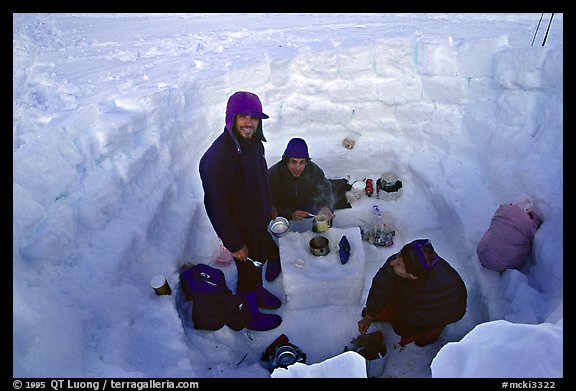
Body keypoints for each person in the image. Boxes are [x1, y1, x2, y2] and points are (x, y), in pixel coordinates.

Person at [199, 91, 282, 331]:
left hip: (257, 221)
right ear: (231, 118)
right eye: (243, 116)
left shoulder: (253, 143)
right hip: (240, 229)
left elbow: (259, 179)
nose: (249, 122)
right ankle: (250, 313)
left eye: (254, 117)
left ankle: (257, 291)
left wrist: (269, 205)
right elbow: (216, 207)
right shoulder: (219, 158)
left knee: (260, 260)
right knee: (247, 271)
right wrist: (234, 244)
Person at [358, 239, 467, 348]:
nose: (393, 263)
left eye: (399, 264)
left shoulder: (433, 294)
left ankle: (434, 331)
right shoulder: (403, 261)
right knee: (378, 311)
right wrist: (370, 314)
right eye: (398, 256)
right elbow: (381, 286)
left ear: (412, 276)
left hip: (442, 313)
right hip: (411, 297)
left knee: (420, 340)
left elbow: (414, 321)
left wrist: (402, 330)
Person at [268, 137, 335, 224]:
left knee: (326, 215)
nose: (298, 168)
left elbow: (326, 188)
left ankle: (319, 233)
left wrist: (326, 206)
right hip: (284, 210)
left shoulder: (313, 170)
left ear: (306, 162)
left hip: (307, 207)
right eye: (293, 162)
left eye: (302, 162)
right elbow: (267, 204)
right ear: (286, 161)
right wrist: (290, 214)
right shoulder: (274, 174)